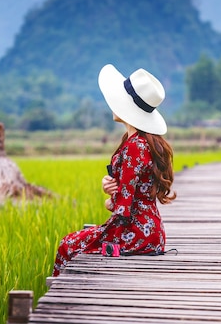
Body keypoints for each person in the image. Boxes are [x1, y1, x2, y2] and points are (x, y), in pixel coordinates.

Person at [53, 64, 175, 277]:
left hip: (135, 235)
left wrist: (110, 200)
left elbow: (123, 206)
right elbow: (132, 189)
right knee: (78, 241)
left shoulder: (135, 145)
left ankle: (60, 304)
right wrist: (111, 187)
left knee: (67, 245)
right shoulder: (139, 141)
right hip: (148, 233)